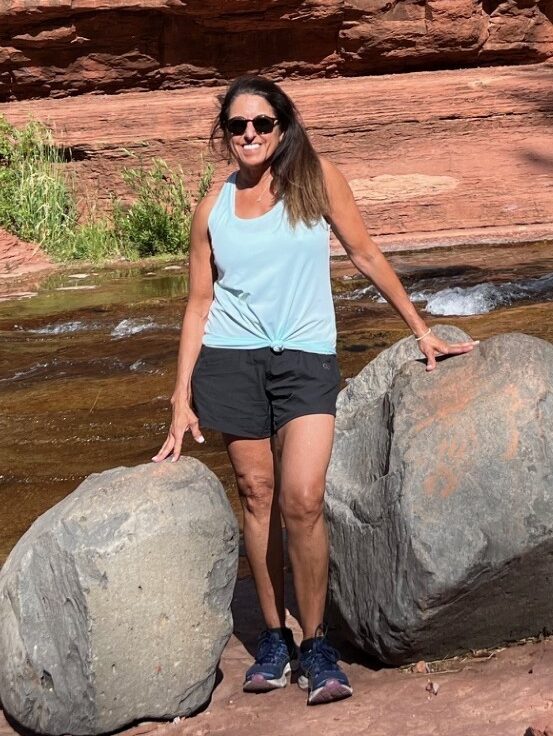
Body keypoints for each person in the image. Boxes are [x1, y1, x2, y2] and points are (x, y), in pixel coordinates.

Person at [152, 75, 478, 705]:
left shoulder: (315, 178)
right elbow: (198, 302)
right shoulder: (212, 206)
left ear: (282, 126)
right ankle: (274, 639)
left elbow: (365, 253)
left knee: (302, 498)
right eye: (237, 125)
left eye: (261, 124)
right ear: (224, 134)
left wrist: (421, 329)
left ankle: (316, 642)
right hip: (231, 361)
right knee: (257, 494)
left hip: (305, 359)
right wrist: (179, 395)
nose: (249, 134)